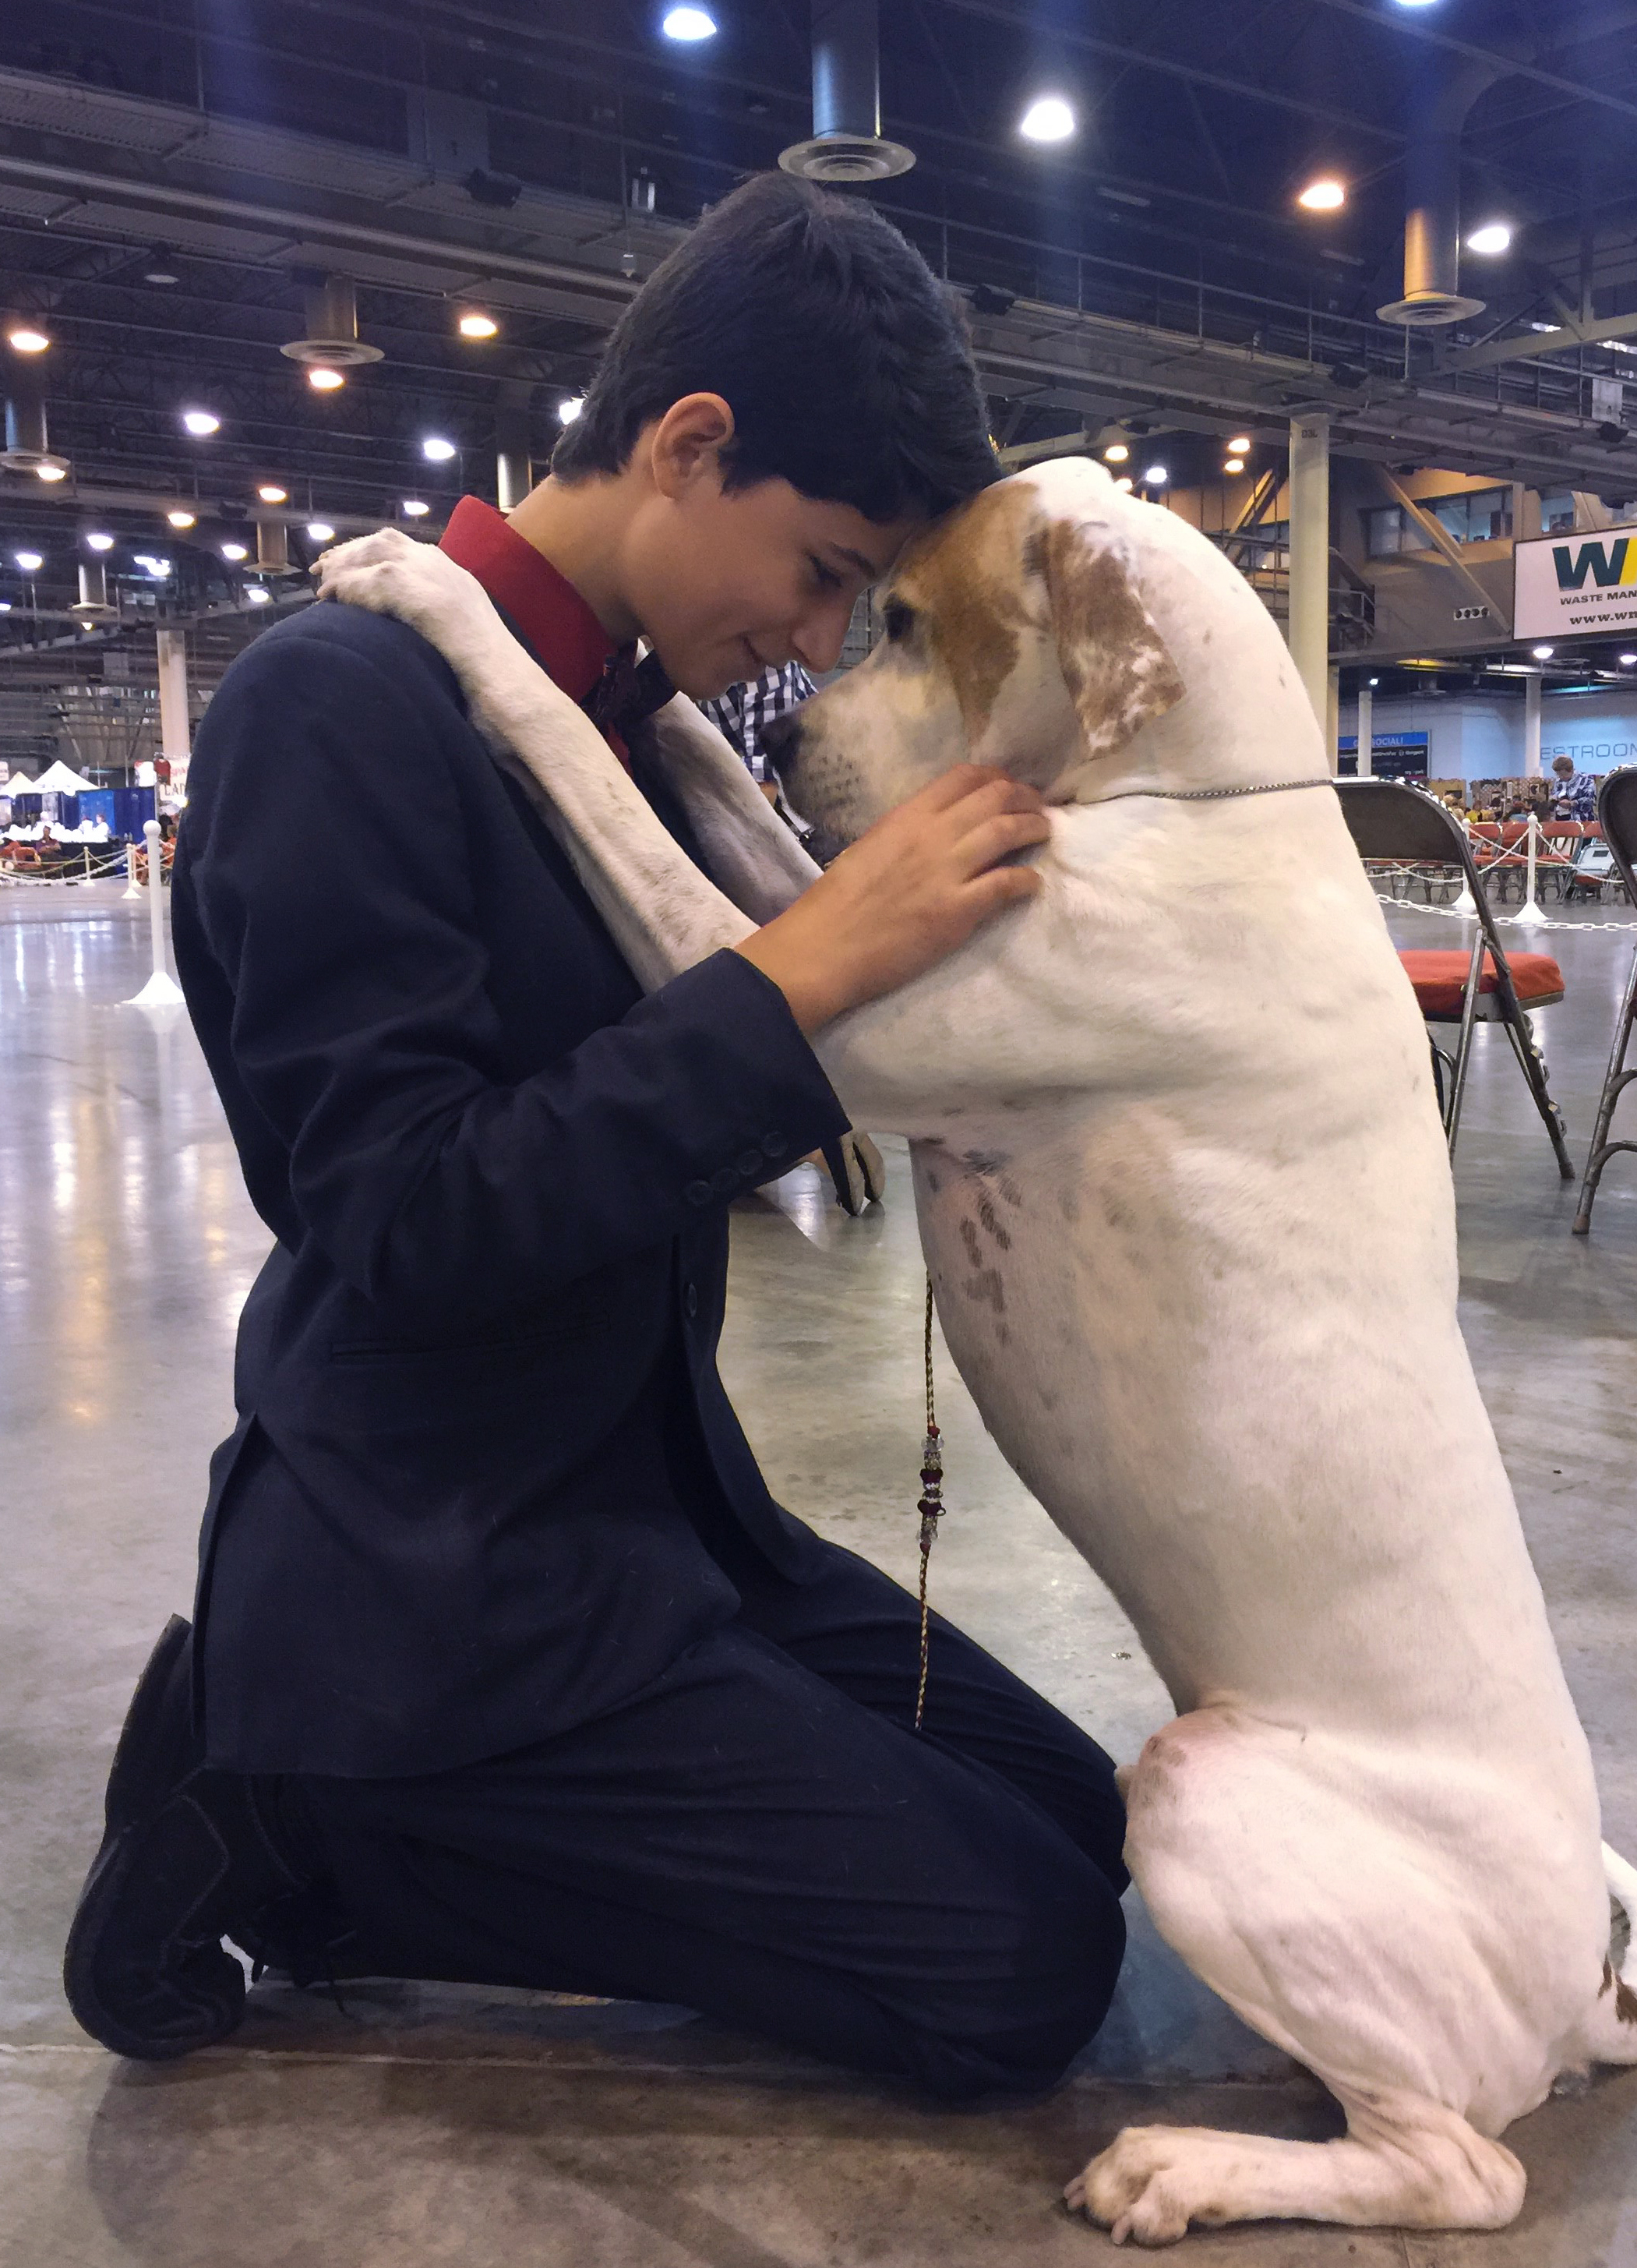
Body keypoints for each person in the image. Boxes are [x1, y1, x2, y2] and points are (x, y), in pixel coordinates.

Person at [65, 171, 1130, 2101]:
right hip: (447, 1565)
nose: (816, 634)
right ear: (688, 442)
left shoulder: (632, 738)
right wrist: (798, 975)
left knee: (1080, 1818)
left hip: (656, 1506)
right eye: (818, 570)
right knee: (1019, 1973)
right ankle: (292, 1823)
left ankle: (372, 1798)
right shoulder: (339, 701)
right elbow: (400, 1213)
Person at [699, 656, 818, 806]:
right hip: (739, 779)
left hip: (805, 794)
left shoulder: (769, 663)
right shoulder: (696, 667)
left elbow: (764, 779)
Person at [1545, 753, 1596, 821]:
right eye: (1559, 775)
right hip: (1560, 820)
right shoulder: (1558, 781)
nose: (1561, 777)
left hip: (1581, 820)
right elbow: (1553, 795)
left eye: (1564, 774)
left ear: (1571, 770)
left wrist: (1572, 803)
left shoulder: (1586, 780)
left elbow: (1591, 799)